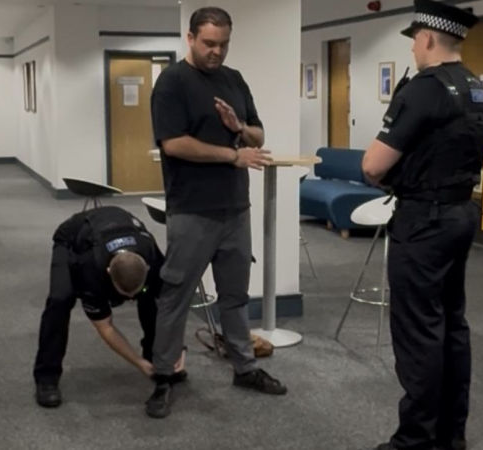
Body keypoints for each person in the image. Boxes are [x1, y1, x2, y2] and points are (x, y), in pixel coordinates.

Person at [360, 1, 483, 449]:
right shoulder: (478, 88)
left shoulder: (425, 88)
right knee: (451, 324)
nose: (415, 47)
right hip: (461, 214)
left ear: (429, 37)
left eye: (415, 38)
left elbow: (374, 165)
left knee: (418, 331)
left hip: (424, 221)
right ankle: (450, 435)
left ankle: (415, 440)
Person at [146, 6, 287, 419]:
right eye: (209, 43)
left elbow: (259, 133)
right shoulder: (171, 83)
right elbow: (174, 143)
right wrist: (233, 154)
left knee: (235, 297)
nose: (217, 51)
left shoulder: (234, 79)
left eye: (223, 44)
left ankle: (244, 367)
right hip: (192, 210)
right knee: (176, 296)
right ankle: (164, 376)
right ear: (190, 38)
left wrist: (239, 125)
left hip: (235, 210)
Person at [33, 206, 187, 408]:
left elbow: (171, 308)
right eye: (125, 296)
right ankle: (46, 377)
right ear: (108, 272)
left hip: (121, 226)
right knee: (60, 300)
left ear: (147, 268)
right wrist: (137, 363)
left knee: (151, 299)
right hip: (73, 237)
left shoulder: (153, 257)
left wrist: (178, 349)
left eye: (134, 295)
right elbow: (105, 327)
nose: (130, 300)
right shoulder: (89, 270)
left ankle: (156, 358)